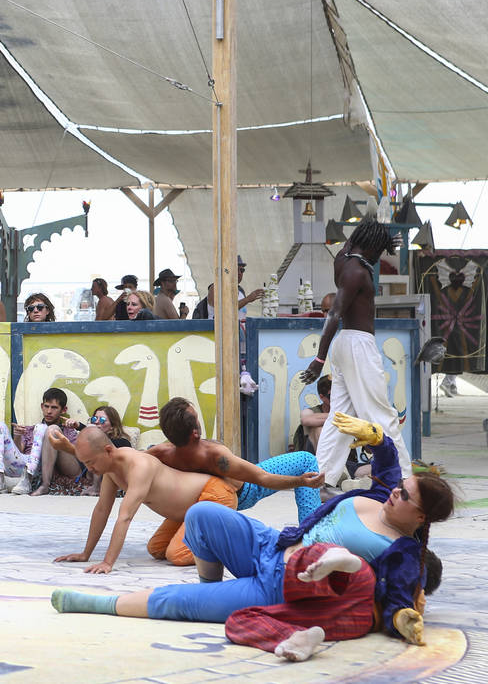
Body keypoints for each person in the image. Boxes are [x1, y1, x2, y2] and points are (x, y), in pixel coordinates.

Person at [49, 414, 454, 658]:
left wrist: (404, 614)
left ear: (419, 517)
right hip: (273, 545)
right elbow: (388, 466)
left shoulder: (401, 550)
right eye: (399, 485)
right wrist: (378, 438)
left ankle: (103, 603)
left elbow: (402, 589)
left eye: (405, 495)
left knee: (179, 594)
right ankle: (213, 586)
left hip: (288, 584)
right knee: (201, 515)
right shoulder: (384, 495)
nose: (395, 491)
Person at [300, 216, 412, 487]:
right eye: (378, 251)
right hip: (358, 345)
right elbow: (334, 314)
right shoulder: (356, 271)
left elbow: (356, 242)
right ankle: (403, 478)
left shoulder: (343, 259)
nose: (378, 260)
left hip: (346, 345)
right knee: (381, 412)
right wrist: (318, 359)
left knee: (340, 419)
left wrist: (383, 238)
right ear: (370, 245)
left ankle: (322, 478)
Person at [49, 427, 240, 570]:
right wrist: (85, 554)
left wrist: (108, 562)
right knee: (157, 549)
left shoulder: (139, 467)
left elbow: (125, 517)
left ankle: (228, 540)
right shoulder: (110, 470)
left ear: (108, 450)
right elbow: (101, 510)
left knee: (177, 555)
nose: (89, 469)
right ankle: (207, 532)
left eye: (90, 463)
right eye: (85, 464)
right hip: (186, 510)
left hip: (214, 494)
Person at [224, 543, 441, 662]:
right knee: (238, 619)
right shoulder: (414, 601)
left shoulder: (410, 562)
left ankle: (340, 558)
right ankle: (296, 637)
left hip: (361, 580)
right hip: (359, 621)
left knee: (318, 556)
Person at [147, 397, 323, 525]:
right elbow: (263, 478)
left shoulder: (163, 453)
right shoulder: (215, 455)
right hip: (245, 492)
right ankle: (312, 531)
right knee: (306, 459)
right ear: (195, 432)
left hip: (199, 500)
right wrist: (301, 481)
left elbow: (132, 460)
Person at [0, 388, 73, 496]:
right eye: (46, 406)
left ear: (63, 410)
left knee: (42, 428)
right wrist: (18, 436)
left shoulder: (68, 432)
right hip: (21, 467)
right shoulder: (30, 429)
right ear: (41, 406)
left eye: (54, 408)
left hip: (42, 470)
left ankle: (29, 478)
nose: (49, 411)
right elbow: (19, 453)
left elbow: (72, 460)